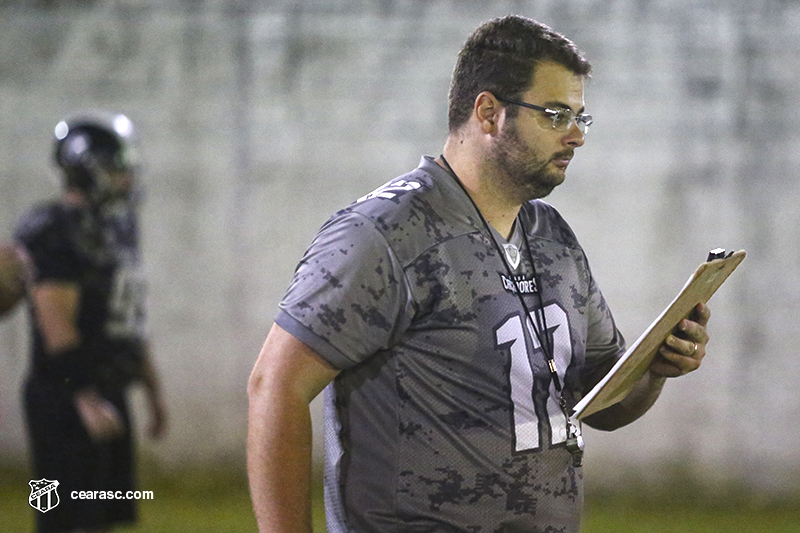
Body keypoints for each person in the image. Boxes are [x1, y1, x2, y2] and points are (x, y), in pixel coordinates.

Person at [247, 15, 710, 533]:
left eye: (581, 117)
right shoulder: (385, 234)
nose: (577, 135)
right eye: (556, 115)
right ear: (489, 113)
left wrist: (654, 371)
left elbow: (594, 406)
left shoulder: (552, 236)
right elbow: (275, 386)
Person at [14, 112, 168, 533]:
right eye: (116, 168)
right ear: (87, 169)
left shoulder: (113, 226)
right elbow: (56, 323)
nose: (125, 178)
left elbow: (130, 319)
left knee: (103, 515)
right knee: (61, 518)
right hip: (63, 397)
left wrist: (151, 388)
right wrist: (84, 399)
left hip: (108, 389)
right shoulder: (54, 228)